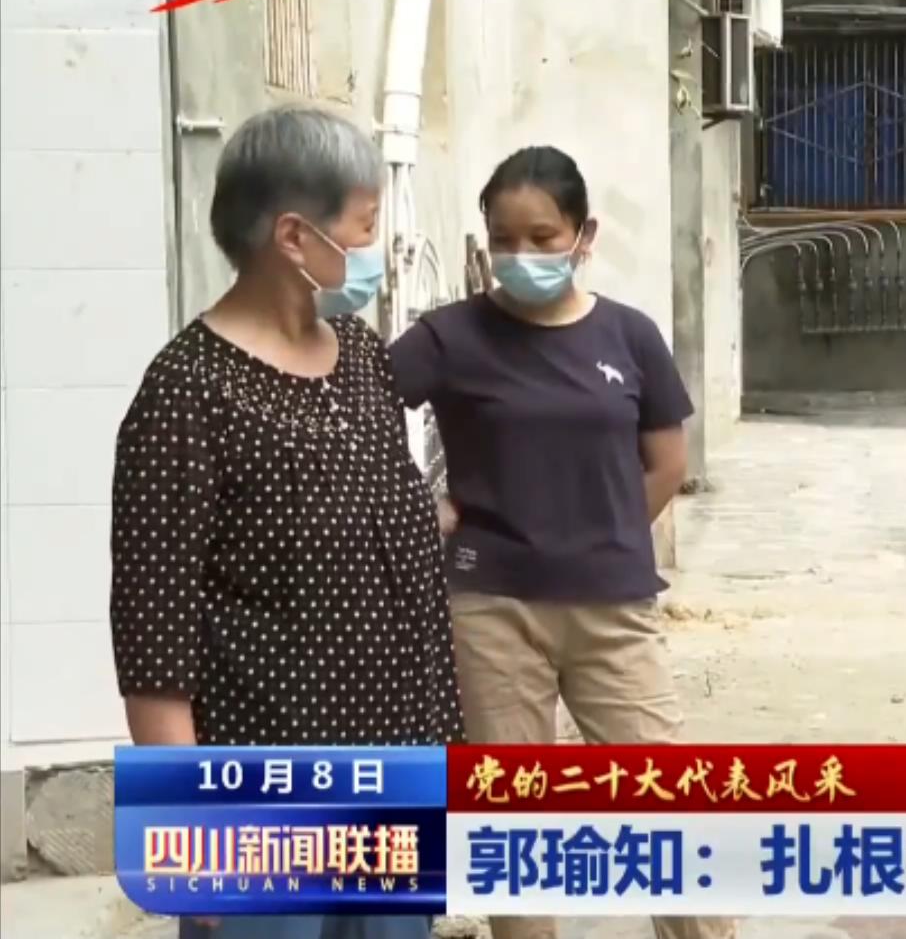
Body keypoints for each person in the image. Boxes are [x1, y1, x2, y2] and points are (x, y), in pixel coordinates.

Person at [110, 105, 461, 939]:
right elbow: (154, 634)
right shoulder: (188, 393)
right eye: (365, 226)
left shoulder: (362, 356)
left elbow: (387, 528)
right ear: (296, 237)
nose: (377, 249)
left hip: (392, 781)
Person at [389, 146, 728, 939]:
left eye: (543, 238)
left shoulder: (629, 335)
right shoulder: (449, 337)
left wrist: (600, 533)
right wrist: (417, 507)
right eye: (504, 240)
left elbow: (666, 462)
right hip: (490, 610)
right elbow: (352, 413)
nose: (523, 256)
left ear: (584, 235)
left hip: (613, 609)